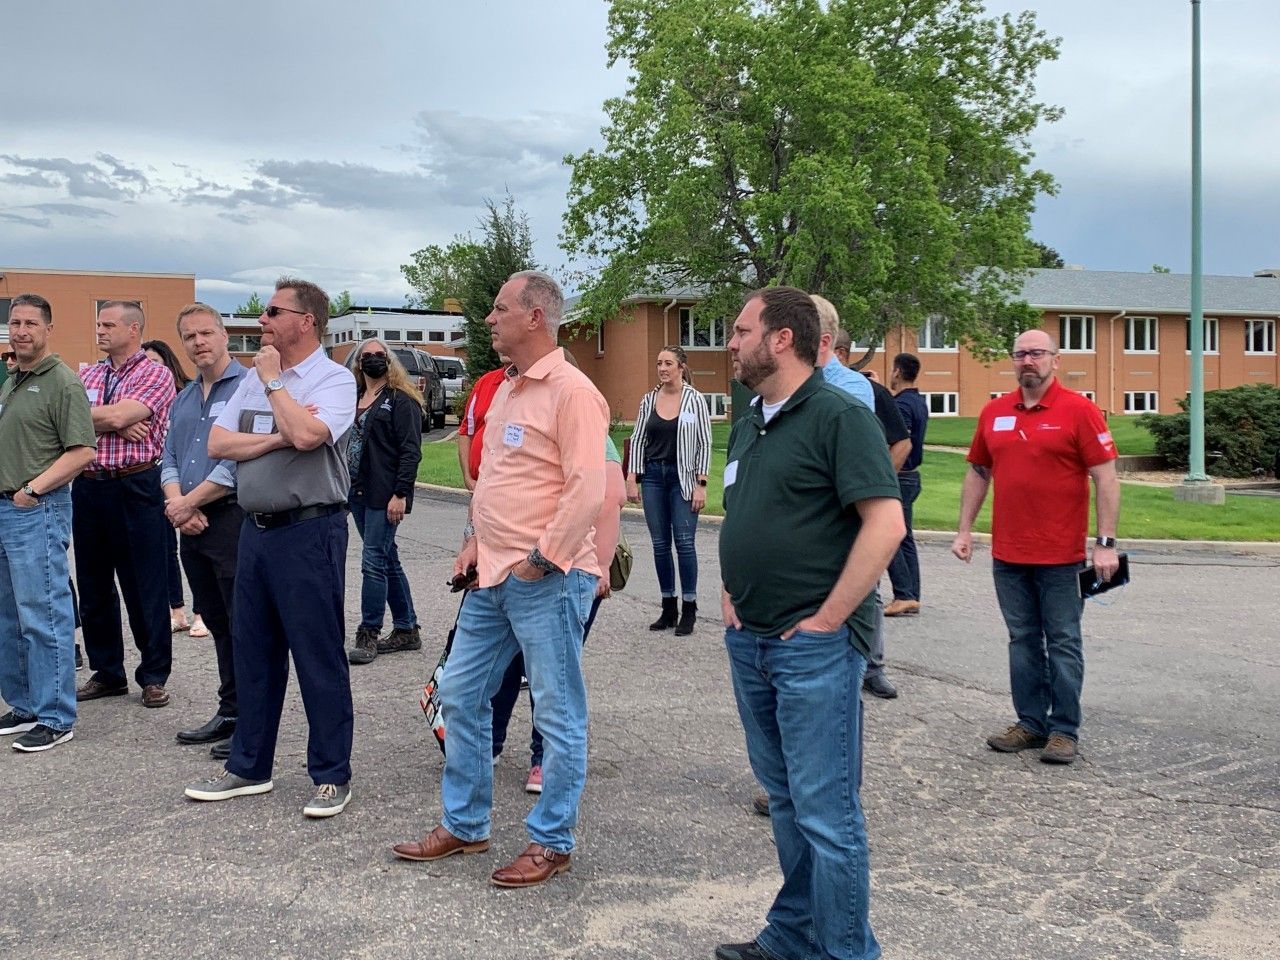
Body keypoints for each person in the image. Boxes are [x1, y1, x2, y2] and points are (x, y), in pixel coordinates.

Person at [391, 271, 607, 888]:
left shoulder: (573, 392)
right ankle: (465, 824)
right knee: (460, 693)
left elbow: (588, 489)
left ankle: (552, 841)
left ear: (534, 317)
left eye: (499, 308)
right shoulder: (507, 388)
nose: (489, 319)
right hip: (491, 575)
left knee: (557, 714)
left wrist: (544, 558)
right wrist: (474, 541)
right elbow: (494, 481)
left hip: (547, 578)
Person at [718, 287, 903, 960]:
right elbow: (744, 511)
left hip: (813, 649)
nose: (730, 342)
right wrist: (730, 589)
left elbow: (886, 523)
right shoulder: (750, 420)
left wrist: (830, 618)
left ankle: (847, 950)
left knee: (828, 815)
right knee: (788, 801)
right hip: (752, 640)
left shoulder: (840, 416)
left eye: (742, 331)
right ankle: (794, 935)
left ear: (782, 340)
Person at [183, 277, 357, 818]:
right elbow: (219, 444)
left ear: (306, 321)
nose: (262, 320)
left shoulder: (333, 379)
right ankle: (249, 767)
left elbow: (309, 436)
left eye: (274, 311)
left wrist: (276, 386)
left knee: (317, 654)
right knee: (253, 652)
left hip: (309, 530)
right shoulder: (254, 379)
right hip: (254, 531)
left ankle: (331, 775)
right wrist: (278, 435)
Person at [952, 329, 1120, 766]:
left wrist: (1105, 544)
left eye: (1037, 353)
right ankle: (1030, 723)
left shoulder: (1079, 411)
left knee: (1062, 640)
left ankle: (1063, 730)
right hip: (1009, 554)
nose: (1028, 360)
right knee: (1022, 639)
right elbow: (978, 471)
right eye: (1021, 354)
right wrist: (964, 529)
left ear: (1055, 360)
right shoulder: (995, 412)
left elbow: (1106, 477)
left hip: (1062, 556)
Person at [490, 348, 628, 793]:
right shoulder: (518, 402)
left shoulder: (577, 408)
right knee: (511, 667)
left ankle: (543, 760)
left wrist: (601, 566)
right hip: (512, 566)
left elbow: (609, 498)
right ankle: (490, 743)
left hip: (563, 568)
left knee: (551, 678)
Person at [0, 294, 97, 752]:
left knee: (43, 614)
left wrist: (32, 491)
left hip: (34, 509)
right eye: (15, 323)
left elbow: (82, 451)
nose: (21, 331)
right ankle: (25, 705)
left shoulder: (62, 382)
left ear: (48, 329)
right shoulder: (13, 380)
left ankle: (56, 716)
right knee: (9, 616)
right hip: (7, 509)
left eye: (30, 324)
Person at [74, 301, 177, 708]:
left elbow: (119, 416)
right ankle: (108, 673)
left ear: (133, 329)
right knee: (93, 584)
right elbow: (66, 420)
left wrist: (103, 418)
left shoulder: (155, 373)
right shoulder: (87, 374)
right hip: (89, 485)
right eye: (98, 323)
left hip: (136, 484)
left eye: (108, 324)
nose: (100, 330)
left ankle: (153, 675)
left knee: (144, 584)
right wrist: (112, 420)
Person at [160, 305, 249, 753]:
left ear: (224, 334)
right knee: (214, 619)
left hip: (230, 519)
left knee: (241, 622)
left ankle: (249, 722)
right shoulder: (184, 397)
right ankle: (230, 710)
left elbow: (240, 459)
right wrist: (178, 504)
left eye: (206, 333)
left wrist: (189, 503)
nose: (198, 342)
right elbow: (169, 457)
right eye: (189, 336)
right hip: (190, 524)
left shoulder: (249, 388)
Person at [826, 319, 909, 701]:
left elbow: (901, 443)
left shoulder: (871, 392)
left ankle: (873, 667)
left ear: (840, 353)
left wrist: (873, 485)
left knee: (868, 588)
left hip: (858, 509)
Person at [345, 338, 424, 665]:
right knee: (387, 558)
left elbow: (410, 451)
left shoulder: (400, 400)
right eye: (367, 356)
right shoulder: (353, 397)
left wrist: (401, 493)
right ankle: (407, 628)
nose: (374, 359)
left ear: (389, 361)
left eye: (380, 355)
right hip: (357, 492)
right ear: (358, 363)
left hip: (385, 493)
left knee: (373, 560)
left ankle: (369, 632)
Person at [624, 344, 712, 635]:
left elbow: (704, 443)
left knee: (684, 543)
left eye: (668, 364)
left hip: (682, 479)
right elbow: (638, 439)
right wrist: (632, 477)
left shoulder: (695, 400)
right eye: (659, 363)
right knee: (660, 545)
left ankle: (690, 607)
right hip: (653, 477)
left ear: (681, 367)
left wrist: (701, 484)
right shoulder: (648, 400)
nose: (662, 369)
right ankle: (668, 607)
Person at [144, 339, 198, 635]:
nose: (150, 369)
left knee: (196, 544)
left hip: (191, 475)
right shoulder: (142, 399)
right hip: (159, 476)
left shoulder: (187, 393)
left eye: (155, 363)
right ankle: (177, 609)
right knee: (166, 548)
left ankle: (202, 611)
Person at [885, 353, 928, 617]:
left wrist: (886, 475)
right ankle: (912, 594)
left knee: (887, 535)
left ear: (898, 372)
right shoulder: (918, 402)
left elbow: (904, 442)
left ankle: (903, 593)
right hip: (912, 475)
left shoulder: (900, 405)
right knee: (905, 537)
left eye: (892, 369)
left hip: (899, 476)